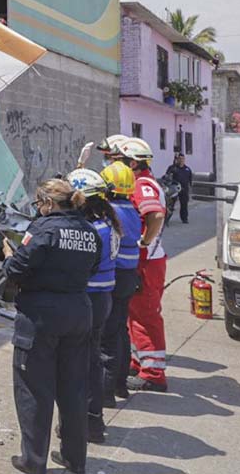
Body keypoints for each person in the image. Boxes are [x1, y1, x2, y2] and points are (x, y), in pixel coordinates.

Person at [2, 179, 103, 474]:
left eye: (38, 204)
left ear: (47, 203)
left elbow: (17, 269)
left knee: (34, 388)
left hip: (41, 316)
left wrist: (9, 255)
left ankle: (33, 461)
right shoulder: (89, 231)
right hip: (78, 311)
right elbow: (93, 267)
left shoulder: (43, 229)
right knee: (73, 388)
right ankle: (75, 459)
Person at [63, 169, 119, 444]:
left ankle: (84, 423)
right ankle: (92, 422)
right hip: (103, 297)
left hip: (89, 298)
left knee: (80, 363)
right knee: (91, 358)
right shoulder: (107, 223)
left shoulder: (91, 230)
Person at [119, 137, 169, 393]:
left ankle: (153, 373)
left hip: (146, 263)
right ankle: (139, 363)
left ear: (134, 163)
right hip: (147, 261)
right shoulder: (143, 182)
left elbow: (156, 215)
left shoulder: (143, 185)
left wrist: (142, 243)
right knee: (134, 316)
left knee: (145, 316)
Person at [99, 162, 142, 407]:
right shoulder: (131, 210)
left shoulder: (110, 212)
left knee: (105, 337)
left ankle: (105, 392)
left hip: (113, 277)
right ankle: (120, 384)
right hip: (128, 276)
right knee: (119, 330)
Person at [164, 153, 194, 224]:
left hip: (184, 189)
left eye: (182, 159)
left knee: (184, 205)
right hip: (174, 189)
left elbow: (190, 181)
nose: (181, 160)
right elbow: (166, 177)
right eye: (179, 159)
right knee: (170, 205)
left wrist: (190, 189)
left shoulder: (187, 169)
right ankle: (166, 219)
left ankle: (184, 218)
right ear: (176, 159)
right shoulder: (172, 168)